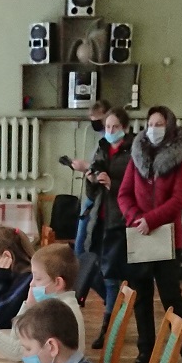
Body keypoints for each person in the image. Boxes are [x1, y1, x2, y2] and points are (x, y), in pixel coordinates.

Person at [117, 104, 182, 363]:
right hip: (139, 234)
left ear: (170, 126)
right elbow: (124, 194)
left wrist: (151, 220)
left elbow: (180, 198)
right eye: (150, 124)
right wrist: (135, 218)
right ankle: (146, 349)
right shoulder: (137, 156)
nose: (154, 129)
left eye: (159, 124)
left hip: (166, 236)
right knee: (141, 297)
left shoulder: (181, 159)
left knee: (171, 297)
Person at [0, 241, 86, 359]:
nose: (31, 284)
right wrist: (28, 304)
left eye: (38, 278)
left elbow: (17, 351)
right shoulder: (57, 304)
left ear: (58, 283)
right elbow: (17, 338)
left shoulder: (58, 312)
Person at [83, 106, 134, 349]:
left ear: (125, 128)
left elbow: (136, 187)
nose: (110, 131)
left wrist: (113, 183)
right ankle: (116, 309)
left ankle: (108, 328)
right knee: (90, 268)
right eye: (107, 127)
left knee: (112, 277)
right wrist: (92, 179)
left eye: (115, 127)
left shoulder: (133, 151)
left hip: (120, 221)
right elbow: (92, 192)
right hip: (100, 218)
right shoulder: (102, 147)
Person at [70, 99, 110, 256]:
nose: (95, 124)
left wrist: (87, 166)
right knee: (81, 238)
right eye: (92, 120)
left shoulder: (110, 141)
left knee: (85, 239)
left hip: (101, 197)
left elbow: (105, 168)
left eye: (98, 120)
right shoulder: (101, 141)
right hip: (93, 192)